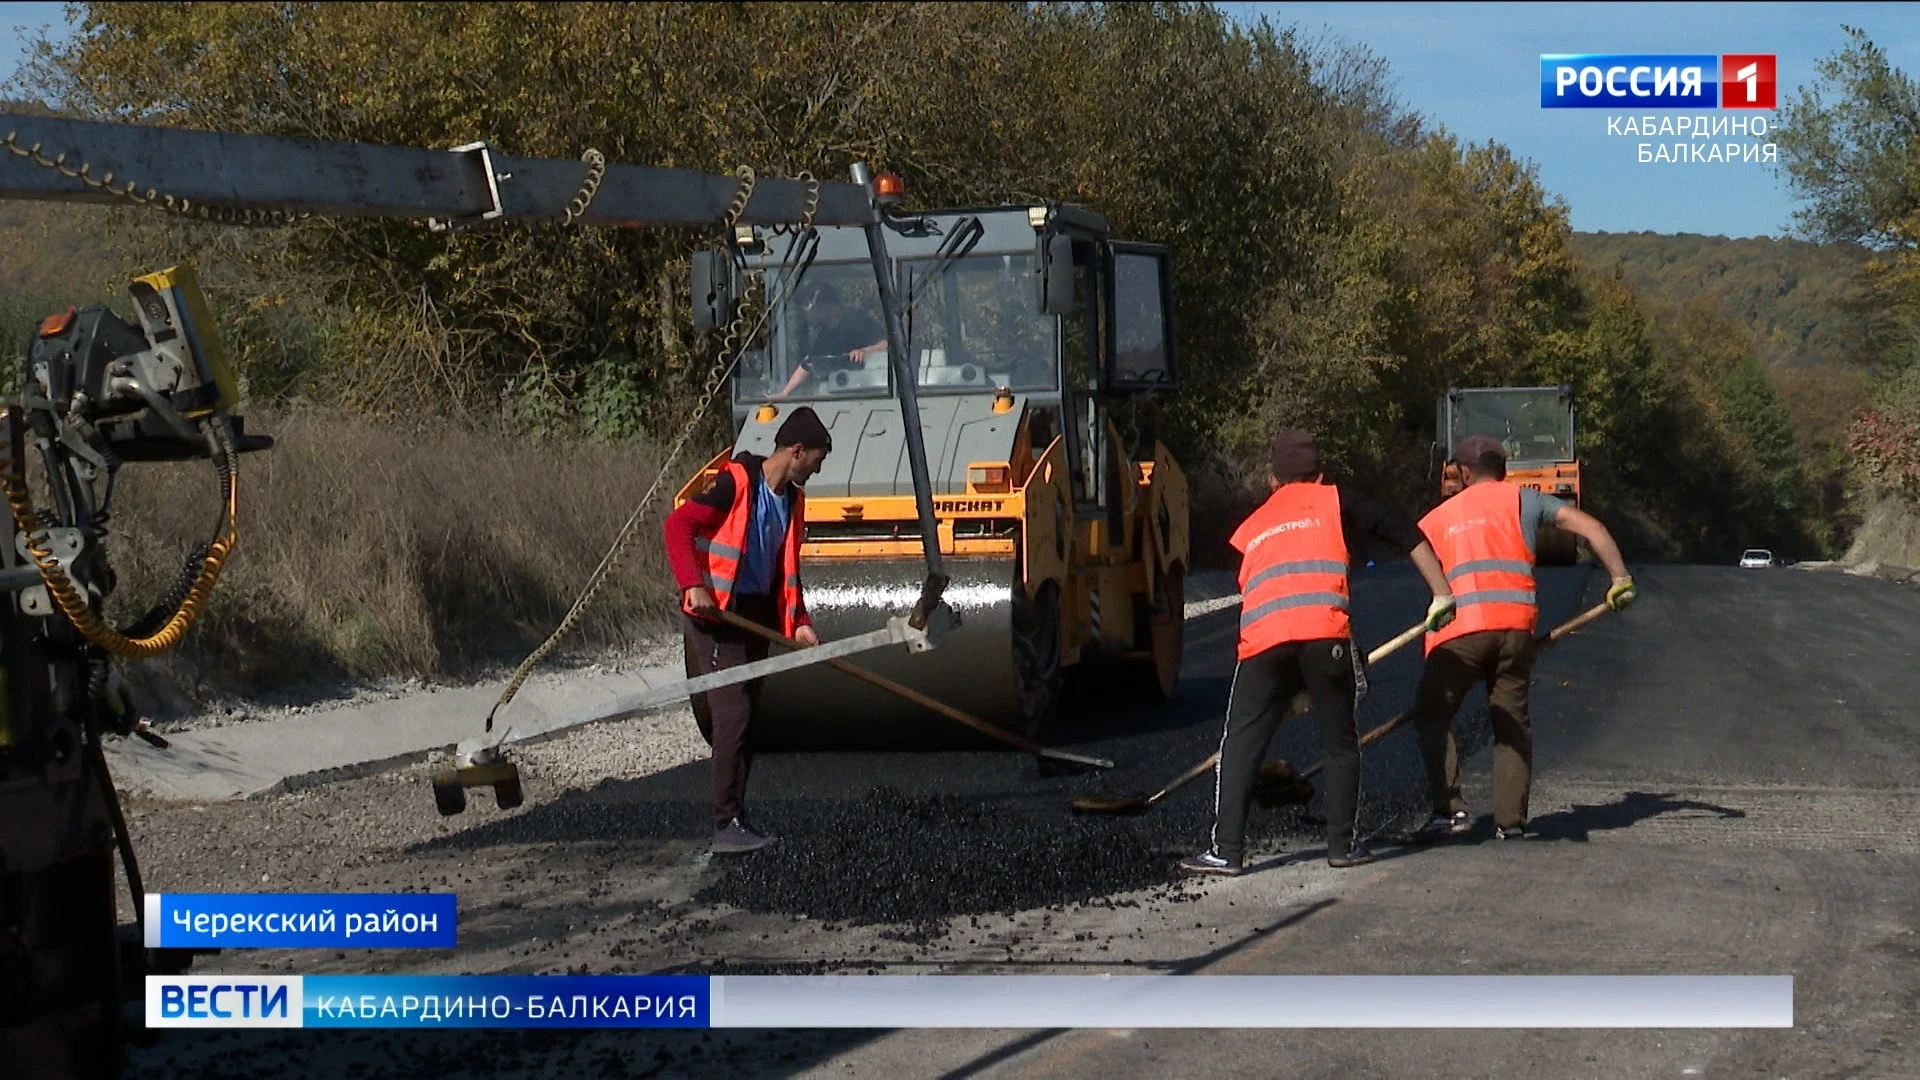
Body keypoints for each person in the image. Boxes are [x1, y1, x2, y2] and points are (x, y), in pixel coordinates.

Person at [1180, 429, 1459, 876]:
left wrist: (1287, 686)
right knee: (1341, 743)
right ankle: (1341, 847)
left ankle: (1226, 851)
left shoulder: (1251, 525)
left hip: (1262, 644)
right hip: (1325, 638)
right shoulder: (1335, 500)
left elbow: (1255, 585)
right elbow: (1405, 531)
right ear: (1321, 474)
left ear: (1272, 481)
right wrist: (1442, 594)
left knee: (1240, 744)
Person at [1409, 434, 1638, 843]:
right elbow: (1590, 527)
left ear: (1462, 472)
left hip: (1459, 634)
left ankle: (1449, 810)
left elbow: (1415, 552)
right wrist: (1620, 578)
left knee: (1432, 713)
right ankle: (1510, 823)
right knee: (1510, 722)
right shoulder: (1524, 500)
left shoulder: (1440, 515)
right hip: (1515, 631)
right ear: (1503, 468)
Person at [662, 407, 833, 854]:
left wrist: (800, 624)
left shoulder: (793, 502)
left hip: (754, 615)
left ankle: (737, 818)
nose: (819, 466)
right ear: (796, 451)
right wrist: (692, 584)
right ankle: (725, 824)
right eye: (817, 458)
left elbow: (786, 573)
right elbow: (677, 526)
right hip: (718, 616)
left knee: (748, 719)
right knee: (732, 715)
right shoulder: (735, 482)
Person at [773, 280, 889, 399]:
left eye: (810, 308)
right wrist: (785, 393)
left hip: (874, 393)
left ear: (826, 305)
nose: (807, 315)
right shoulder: (825, 336)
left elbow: (887, 343)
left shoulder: (858, 320)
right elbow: (808, 363)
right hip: (841, 397)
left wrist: (866, 351)